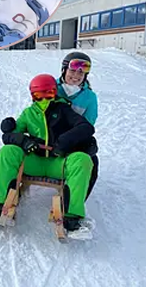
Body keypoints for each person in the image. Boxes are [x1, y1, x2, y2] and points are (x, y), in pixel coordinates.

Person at [0, 74, 95, 237]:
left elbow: (86, 127)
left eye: (47, 94)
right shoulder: (29, 113)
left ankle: (72, 218)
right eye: (38, 95)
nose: (43, 99)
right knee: (8, 151)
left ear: (54, 93)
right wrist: (24, 141)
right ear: (32, 96)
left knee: (82, 160)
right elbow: (9, 136)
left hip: (58, 163)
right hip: (34, 162)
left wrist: (64, 143)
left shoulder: (64, 110)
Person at [57, 52, 99, 199]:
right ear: (64, 70)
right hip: (48, 135)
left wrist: (70, 138)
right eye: (72, 70)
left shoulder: (89, 97)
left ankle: (74, 202)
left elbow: (88, 124)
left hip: (73, 140)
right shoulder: (52, 87)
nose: (76, 75)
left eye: (81, 72)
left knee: (92, 161)